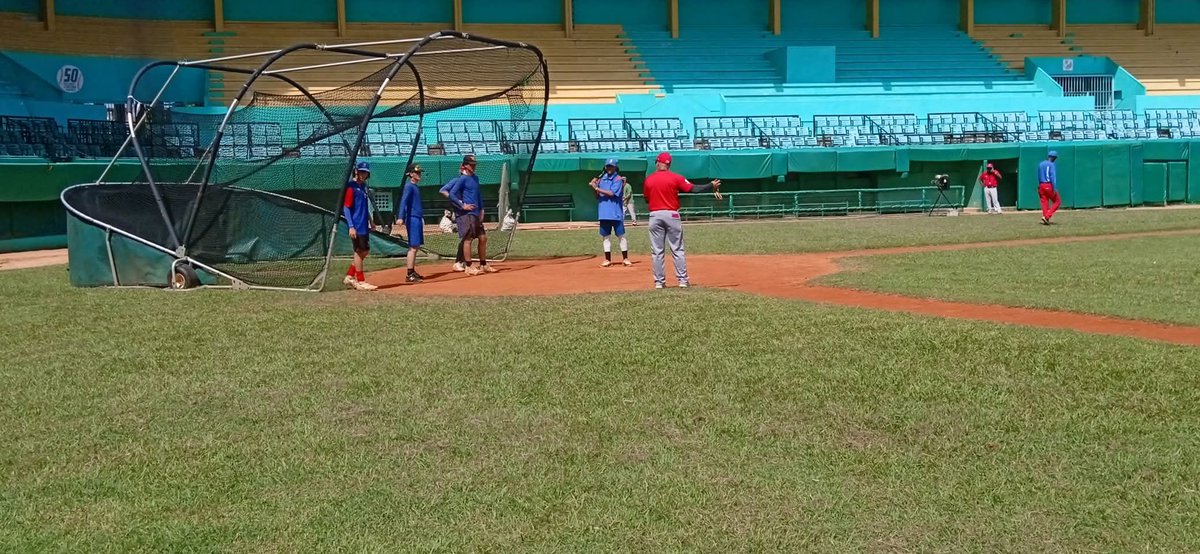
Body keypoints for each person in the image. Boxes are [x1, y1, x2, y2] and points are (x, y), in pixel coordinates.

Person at [641, 152, 721, 289]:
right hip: (672, 215)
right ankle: (683, 281)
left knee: (657, 251)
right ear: (669, 164)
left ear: (658, 163)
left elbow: (646, 198)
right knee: (677, 249)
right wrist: (710, 185)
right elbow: (693, 189)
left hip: (655, 215)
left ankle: (659, 283)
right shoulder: (676, 178)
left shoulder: (649, 179)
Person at [444, 154, 496, 275]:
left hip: (477, 213)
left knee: (483, 238)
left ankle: (483, 264)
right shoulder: (462, 179)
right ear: (465, 165)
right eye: (471, 165)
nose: (474, 167)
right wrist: (462, 205)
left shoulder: (475, 178)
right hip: (469, 213)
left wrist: (482, 209)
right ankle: (468, 266)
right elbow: (452, 194)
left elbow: (478, 195)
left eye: (475, 165)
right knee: (468, 239)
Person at [342, 160, 377, 291]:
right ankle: (360, 281)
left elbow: (363, 207)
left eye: (366, 173)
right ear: (356, 171)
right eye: (361, 172)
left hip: (363, 224)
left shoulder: (363, 187)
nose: (363, 175)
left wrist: (371, 221)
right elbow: (346, 208)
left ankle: (350, 276)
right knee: (359, 251)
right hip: (356, 225)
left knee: (365, 251)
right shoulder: (351, 187)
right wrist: (351, 226)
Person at [590, 158, 631, 267]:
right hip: (604, 212)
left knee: (621, 235)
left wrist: (597, 188)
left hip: (615, 213)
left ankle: (625, 258)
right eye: (607, 166)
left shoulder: (618, 179)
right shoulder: (601, 179)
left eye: (611, 166)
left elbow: (612, 193)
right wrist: (594, 188)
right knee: (605, 236)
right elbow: (597, 196)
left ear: (615, 167)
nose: (609, 168)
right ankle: (607, 259)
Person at [396, 163, 425, 283]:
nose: (419, 174)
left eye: (419, 172)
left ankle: (412, 271)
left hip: (417, 218)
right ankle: (409, 274)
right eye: (417, 172)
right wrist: (400, 217)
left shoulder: (415, 187)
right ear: (411, 174)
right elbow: (403, 201)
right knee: (413, 247)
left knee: (416, 246)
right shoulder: (409, 186)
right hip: (412, 218)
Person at [1038, 151, 1062, 225]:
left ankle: (1046, 218)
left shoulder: (1040, 164)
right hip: (1048, 185)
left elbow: (1038, 176)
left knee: (1045, 203)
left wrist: (1040, 186)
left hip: (1041, 185)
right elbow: (1052, 177)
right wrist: (1054, 188)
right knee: (1058, 201)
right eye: (1055, 158)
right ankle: (1047, 216)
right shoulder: (1051, 164)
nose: (1055, 159)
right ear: (1053, 157)